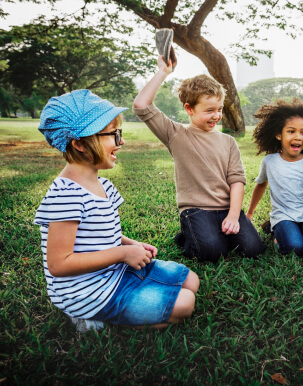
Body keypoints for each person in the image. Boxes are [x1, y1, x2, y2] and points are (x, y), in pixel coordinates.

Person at [34, 90, 199, 331]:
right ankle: (97, 321)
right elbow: (59, 264)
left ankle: (127, 303)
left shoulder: (103, 185)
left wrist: (131, 244)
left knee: (191, 281)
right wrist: (122, 254)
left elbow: (99, 234)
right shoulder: (66, 195)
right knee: (185, 303)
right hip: (89, 293)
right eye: (113, 134)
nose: (121, 142)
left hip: (115, 272)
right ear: (80, 144)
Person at [133, 53, 266, 263]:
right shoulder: (176, 134)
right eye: (209, 110)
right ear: (189, 108)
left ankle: (212, 232)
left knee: (253, 249)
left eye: (219, 109)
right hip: (196, 211)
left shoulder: (228, 142)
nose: (216, 116)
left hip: (227, 209)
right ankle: (188, 235)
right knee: (211, 253)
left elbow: (237, 181)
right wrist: (163, 72)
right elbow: (141, 106)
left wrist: (233, 215)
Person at [246, 99, 303, 257]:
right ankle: (277, 234)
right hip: (283, 215)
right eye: (291, 131)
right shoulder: (269, 161)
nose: (298, 137)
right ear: (279, 135)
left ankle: (284, 231)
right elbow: (261, 184)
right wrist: (250, 213)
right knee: (294, 247)